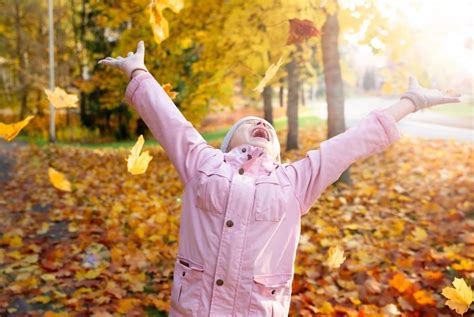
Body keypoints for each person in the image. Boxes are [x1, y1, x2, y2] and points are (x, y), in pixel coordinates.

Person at [99, 41, 461, 316]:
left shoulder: (294, 181)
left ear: (276, 150)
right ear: (227, 143)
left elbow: (353, 142)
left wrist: (410, 101)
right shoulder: (203, 163)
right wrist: (138, 73)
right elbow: (171, 122)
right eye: (249, 125)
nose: (261, 125)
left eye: (268, 127)